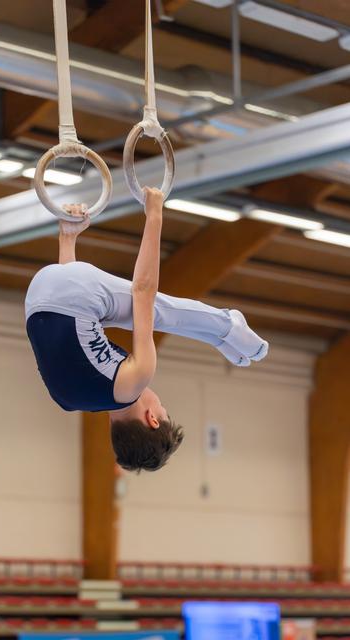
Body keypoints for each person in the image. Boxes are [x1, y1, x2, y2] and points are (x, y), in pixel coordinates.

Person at [25, 188, 268, 473]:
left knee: (156, 311)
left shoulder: (135, 381)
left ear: (152, 418)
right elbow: (60, 325)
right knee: (120, 316)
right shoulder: (68, 401)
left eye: (162, 406)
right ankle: (219, 336)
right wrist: (68, 238)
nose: (157, 397)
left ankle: (226, 325)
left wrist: (154, 214)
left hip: (75, 295)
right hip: (37, 297)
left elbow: (143, 289)